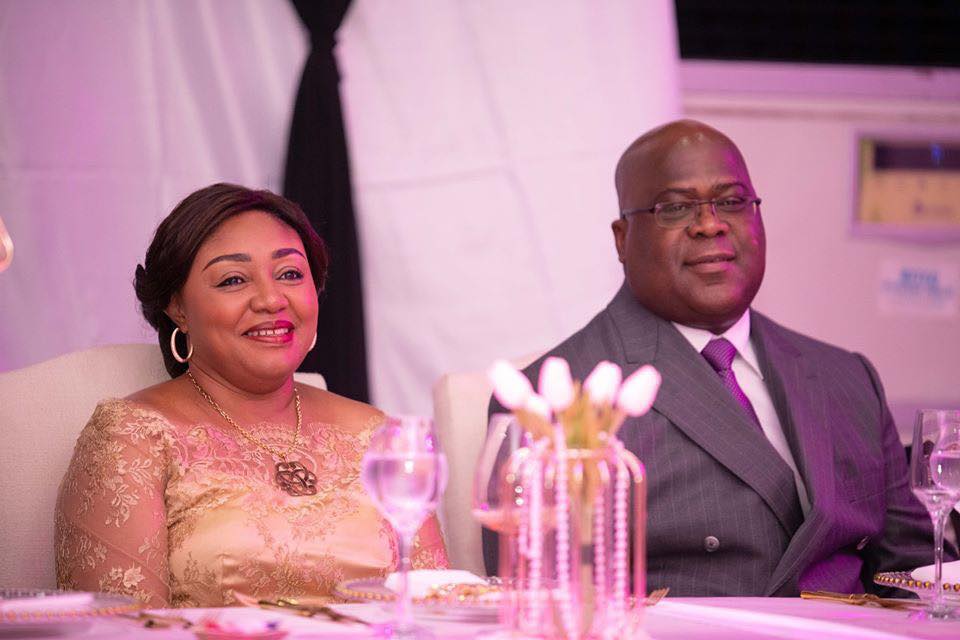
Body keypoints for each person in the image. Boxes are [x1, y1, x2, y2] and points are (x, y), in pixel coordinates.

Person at [486, 119, 939, 596]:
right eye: (675, 207)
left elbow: (914, 574)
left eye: (731, 201)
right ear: (622, 239)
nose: (710, 224)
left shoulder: (847, 378)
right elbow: (543, 603)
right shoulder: (553, 401)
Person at [56, 184, 447, 607]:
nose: (271, 299)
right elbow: (122, 628)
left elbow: (440, 606)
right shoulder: (132, 437)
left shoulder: (375, 434)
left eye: (290, 274)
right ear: (178, 308)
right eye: (233, 280)